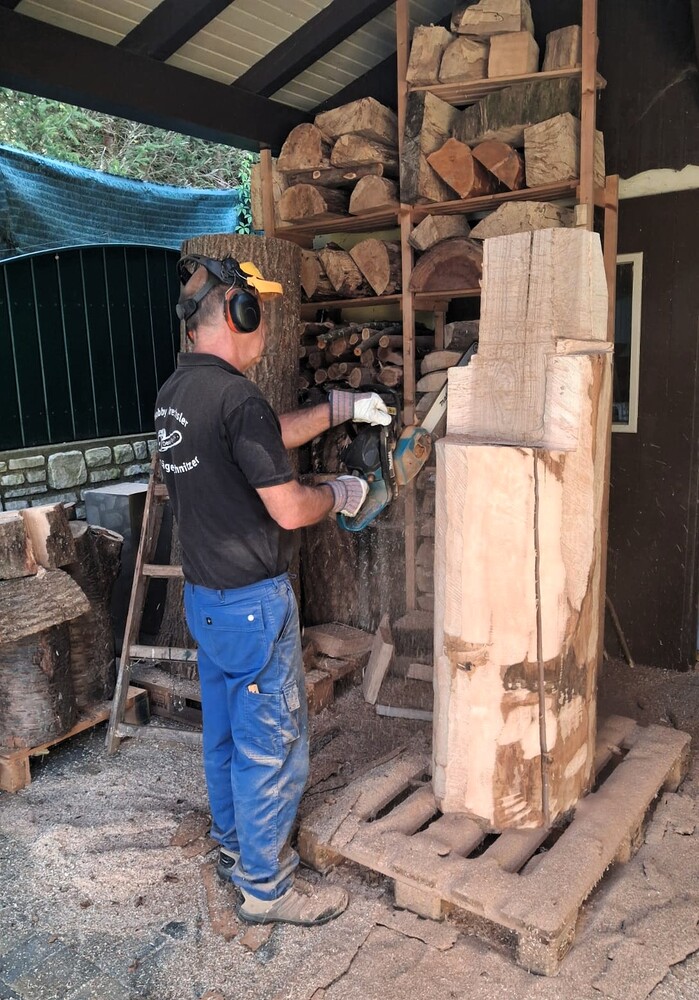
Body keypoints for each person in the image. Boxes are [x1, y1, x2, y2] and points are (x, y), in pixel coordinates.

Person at [154, 253, 391, 927]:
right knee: (272, 743)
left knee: (228, 734)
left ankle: (235, 843)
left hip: (207, 600)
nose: (264, 327)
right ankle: (265, 887)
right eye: (259, 312)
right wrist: (339, 492)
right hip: (253, 606)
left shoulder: (178, 393)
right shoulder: (237, 398)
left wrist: (339, 409)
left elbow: (258, 437)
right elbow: (287, 508)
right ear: (239, 313)